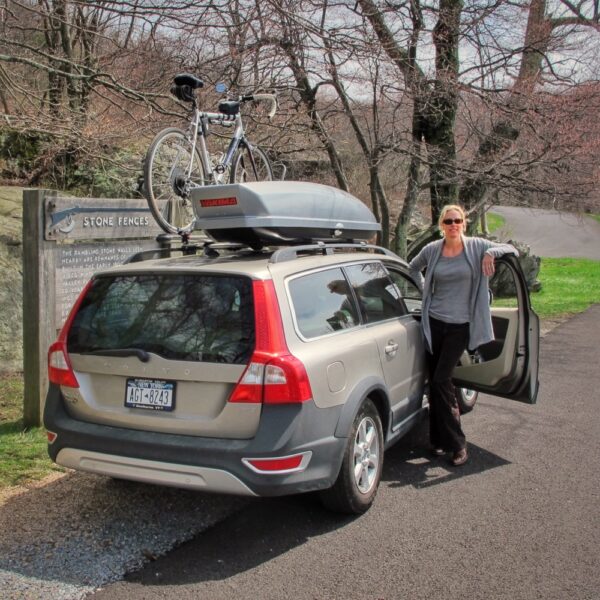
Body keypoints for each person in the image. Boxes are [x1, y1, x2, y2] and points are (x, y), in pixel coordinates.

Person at [409, 204, 518, 466]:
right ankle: (437, 441)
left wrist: (492, 252)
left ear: (464, 224)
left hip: (460, 325)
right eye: (448, 221)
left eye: (457, 220)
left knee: (441, 379)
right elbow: (412, 267)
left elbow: (511, 250)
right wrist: (426, 292)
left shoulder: (477, 246)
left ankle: (458, 444)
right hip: (434, 322)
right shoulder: (433, 250)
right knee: (436, 383)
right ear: (441, 225)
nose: (453, 225)